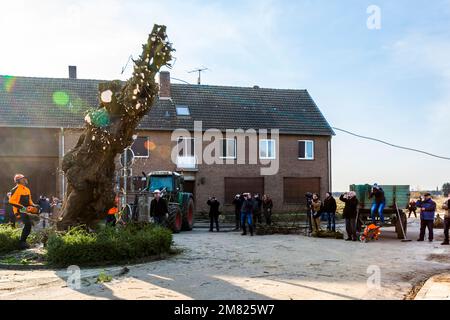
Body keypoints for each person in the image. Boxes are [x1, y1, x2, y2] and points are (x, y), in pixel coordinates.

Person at [8, 174, 39, 249]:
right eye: (23, 179)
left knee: (29, 224)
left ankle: (23, 241)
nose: (25, 180)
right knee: (27, 224)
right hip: (19, 209)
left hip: (26, 209)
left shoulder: (27, 189)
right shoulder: (15, 189)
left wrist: (34, 206)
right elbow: (11, 201)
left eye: (25, 178)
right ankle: (21, 242)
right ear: (18, 181)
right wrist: (21, 208)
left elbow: (29, 201)